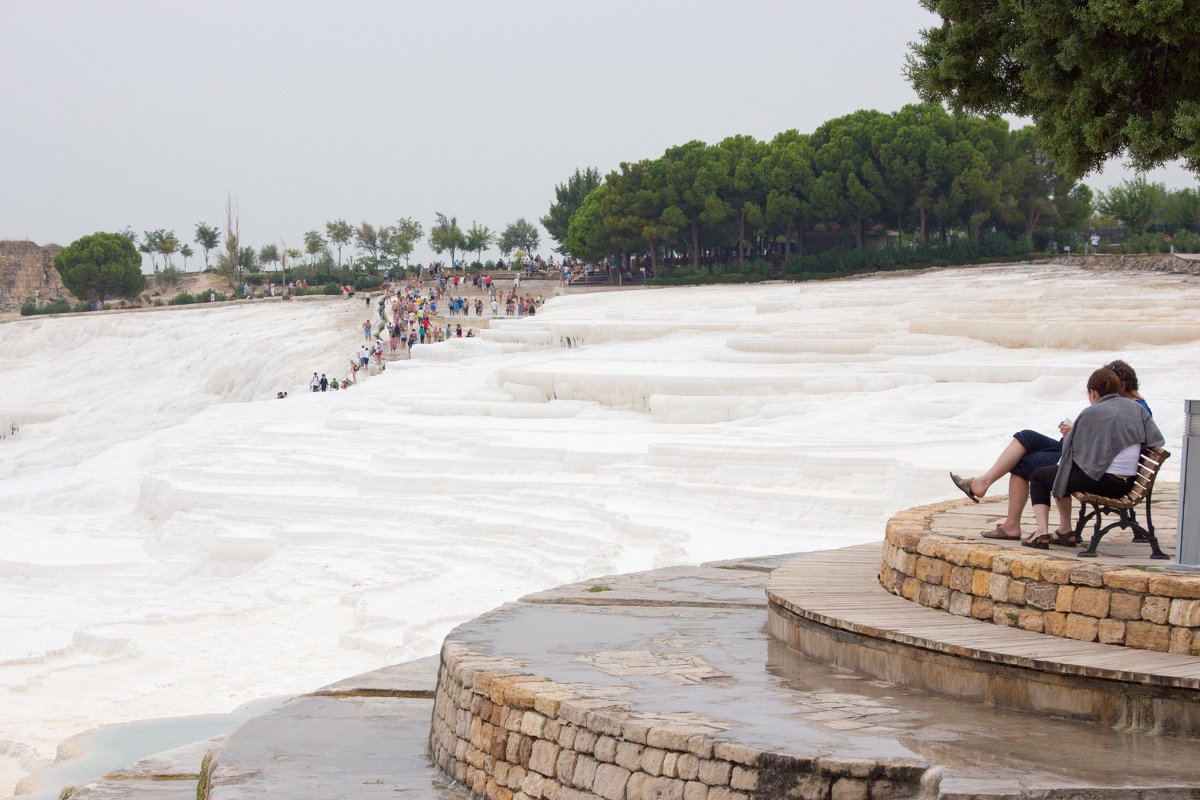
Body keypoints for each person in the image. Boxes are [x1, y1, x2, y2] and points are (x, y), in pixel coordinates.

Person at [950, 360, 1149, 540]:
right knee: (1025, 436)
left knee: (1024, 464)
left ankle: (1015, 524)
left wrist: (1076, 432)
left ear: (1121, 385)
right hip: (1090, 459)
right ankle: (984, 483)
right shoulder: (1125, 407)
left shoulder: (1128, 409)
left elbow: (1103, 445)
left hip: (1092, 465)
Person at [1023, 368, 1164, 548]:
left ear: (1093, 392)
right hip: (1127, 484)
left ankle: (1041, 532)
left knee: (1040, 476)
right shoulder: (1136, 408)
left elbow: (1072, 450)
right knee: (1062, 473)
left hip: (1103, 483)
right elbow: (1156, 440)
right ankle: (1064, 531)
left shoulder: (1091, 412)